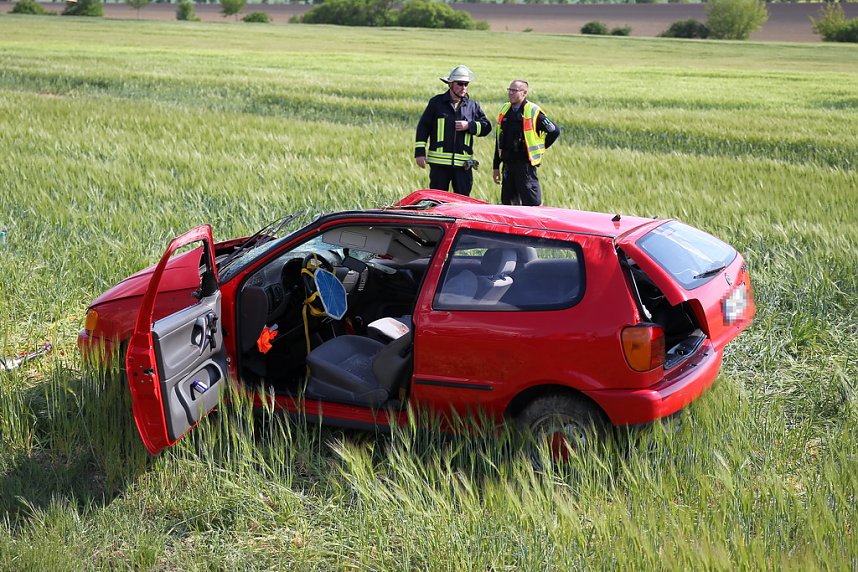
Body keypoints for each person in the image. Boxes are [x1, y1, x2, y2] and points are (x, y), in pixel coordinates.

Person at [414, 65, 492, 197]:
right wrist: (419, 153)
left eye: (466, 84)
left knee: (462, 202)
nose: (464, 88)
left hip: (463, 166)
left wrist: (469, 126)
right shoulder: (436, 103)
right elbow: (423, 127)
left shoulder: (472, 105)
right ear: (450, 84)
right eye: (460, 84)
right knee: (437, 201)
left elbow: (487, 127)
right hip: (439, 165)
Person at [492, 79, 560, 206]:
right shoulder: (505, 110)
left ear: (524, 93)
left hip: (525, 166)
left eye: (515, 91)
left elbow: (554, 131)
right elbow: (499, 140)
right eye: (509, 90)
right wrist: (496, 166)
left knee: (531, 205)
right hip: (507, 165)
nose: (511, 93)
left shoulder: (533, 111)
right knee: (508, 205)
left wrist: (541, 147)